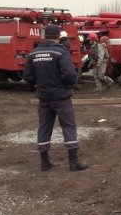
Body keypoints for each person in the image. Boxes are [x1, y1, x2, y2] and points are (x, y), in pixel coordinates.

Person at [23, 24, 88, 172]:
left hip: (44, 97)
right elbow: (70, 74)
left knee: (44, 127)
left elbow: (27, 76)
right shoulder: (61, 52)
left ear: (44, 36)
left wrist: (36, 86)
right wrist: (68, 86)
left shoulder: (33, 53)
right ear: (58, 37)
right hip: (61, 97)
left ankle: (44, 163)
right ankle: (73, 163)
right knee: (69, 127)